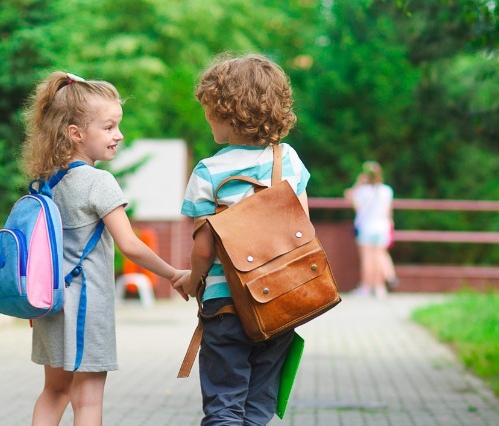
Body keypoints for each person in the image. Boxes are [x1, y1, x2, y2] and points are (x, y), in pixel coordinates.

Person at [21, 71, 188, 426]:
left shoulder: (48, 183)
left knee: (54, 392)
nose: (119, 135)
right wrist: (174, 274)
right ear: (76, 134)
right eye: (109, 127)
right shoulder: (99, 182)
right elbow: (131, 245)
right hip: (86, 307)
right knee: (88, 401)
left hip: (51, 304)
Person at [171, 53, 309, 425]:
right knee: (258, 407)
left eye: (208, 110)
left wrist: (193, 278)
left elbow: (204, 247)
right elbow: (303, 228)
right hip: (279, 302)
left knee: (224, 405)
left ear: (226, 113)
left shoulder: (209, 172)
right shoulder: (289, 161)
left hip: (226, 304)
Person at [345, 161, 396, 298]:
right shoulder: (387, 191)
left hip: (366, 227)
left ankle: (366, 288)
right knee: (379, 256)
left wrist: (358, 182)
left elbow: (348, 195)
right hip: (382, 227)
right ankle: (379, 288)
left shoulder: (361, 191)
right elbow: (389, 212)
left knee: (367, 258)